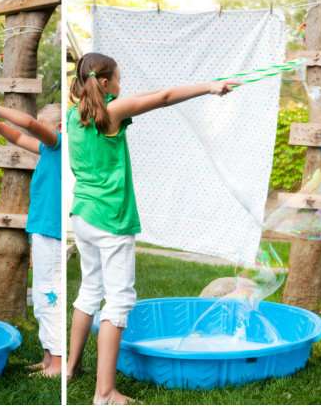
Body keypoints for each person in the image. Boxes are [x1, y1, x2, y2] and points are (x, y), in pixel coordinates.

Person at [67, 52, 239, 404]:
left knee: (89, 290)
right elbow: (161, 98)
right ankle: (104, 392)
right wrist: (210, 87)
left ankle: (70, 369)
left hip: (82, 216)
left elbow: (150, 96)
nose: (121, 84)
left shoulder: (74, 116)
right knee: (118, 301)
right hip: (111, 220)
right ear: (104, 83)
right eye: (117, 78)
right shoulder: (110, 112)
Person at [0, 102, 62, 377]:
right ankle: (49, 357)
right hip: (44, 231)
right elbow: (17, 136)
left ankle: (59, 363)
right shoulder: (48, 149)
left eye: (44, 126)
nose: (39, 131)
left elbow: (27, 125)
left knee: (51, 295)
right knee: (42, 296)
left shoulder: (60, 143)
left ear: (59, 128)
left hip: (53, 233)